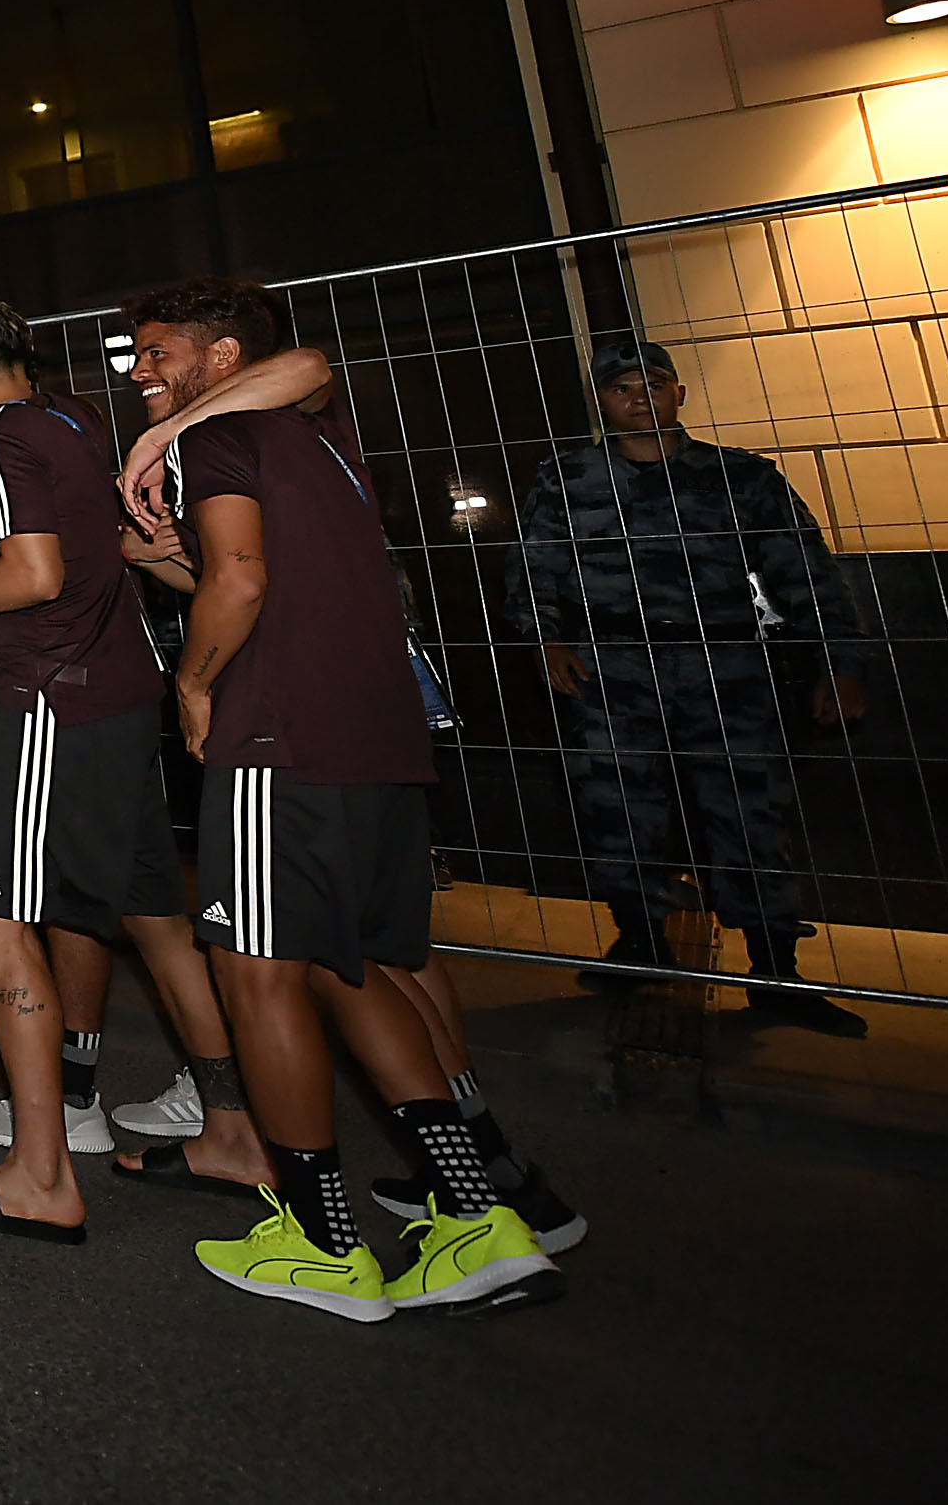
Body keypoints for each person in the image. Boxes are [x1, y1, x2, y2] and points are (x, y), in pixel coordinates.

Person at [142, 278, 563, 1317]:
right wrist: (164, 559)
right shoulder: (315, 434)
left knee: (253, 970)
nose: (139, 369)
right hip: (376, 732)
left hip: (278, 736)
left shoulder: (216, 436)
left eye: (155, 350)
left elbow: (237, 582)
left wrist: (191, 684)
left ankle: (324, 1241)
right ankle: (473, 1215)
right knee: (353, 963)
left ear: (221, 353)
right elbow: (259, 567)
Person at [0, 300, 173, 1247]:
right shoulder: (72, 418)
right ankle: (234, 1123)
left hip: (56, 693)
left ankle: (41, 1172)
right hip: (126, 690)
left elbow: (34, 571)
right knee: (154, 911)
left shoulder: (5, 436)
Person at [506, 342, 874, 1036]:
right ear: (601, 401)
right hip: (612, 661)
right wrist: (541, 637)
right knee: (616, 805)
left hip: (722, 658)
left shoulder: (740, 477)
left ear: (680, 392)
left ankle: (774, 966)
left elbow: (806, 570)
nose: (640, 397)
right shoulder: (570, 479)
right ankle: (640, 938)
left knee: (747, 808)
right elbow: (534, 566)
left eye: (654, 383)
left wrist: (840, 659)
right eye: (621, 387)